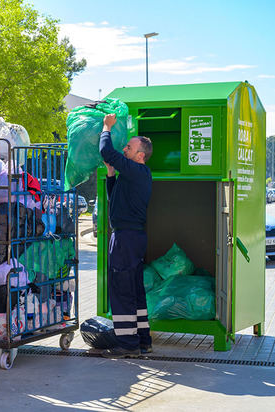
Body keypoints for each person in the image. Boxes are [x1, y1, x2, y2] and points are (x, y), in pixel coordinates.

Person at [98, 113, 153, 358]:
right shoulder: (132, 176)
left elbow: (107, 151)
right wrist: (111, 175)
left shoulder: (137, 171)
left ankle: (127, 345)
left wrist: (106, 127)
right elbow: (115, 200)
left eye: (129, 147)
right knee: (134, 289)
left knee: (121, 288)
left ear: (140, 155)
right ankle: (142, 341)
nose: (124, 149)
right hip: (132, 237)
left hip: (126, 238)